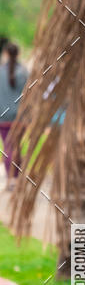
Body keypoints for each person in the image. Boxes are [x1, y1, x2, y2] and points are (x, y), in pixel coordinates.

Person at [0, 41, 28, 185]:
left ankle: (11, 179)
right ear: (18, 54)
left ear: (5, 54)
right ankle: (16, 177)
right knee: (16, 146)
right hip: (20, 117)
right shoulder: (24, 72)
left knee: (7, 147)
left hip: (3, 117)